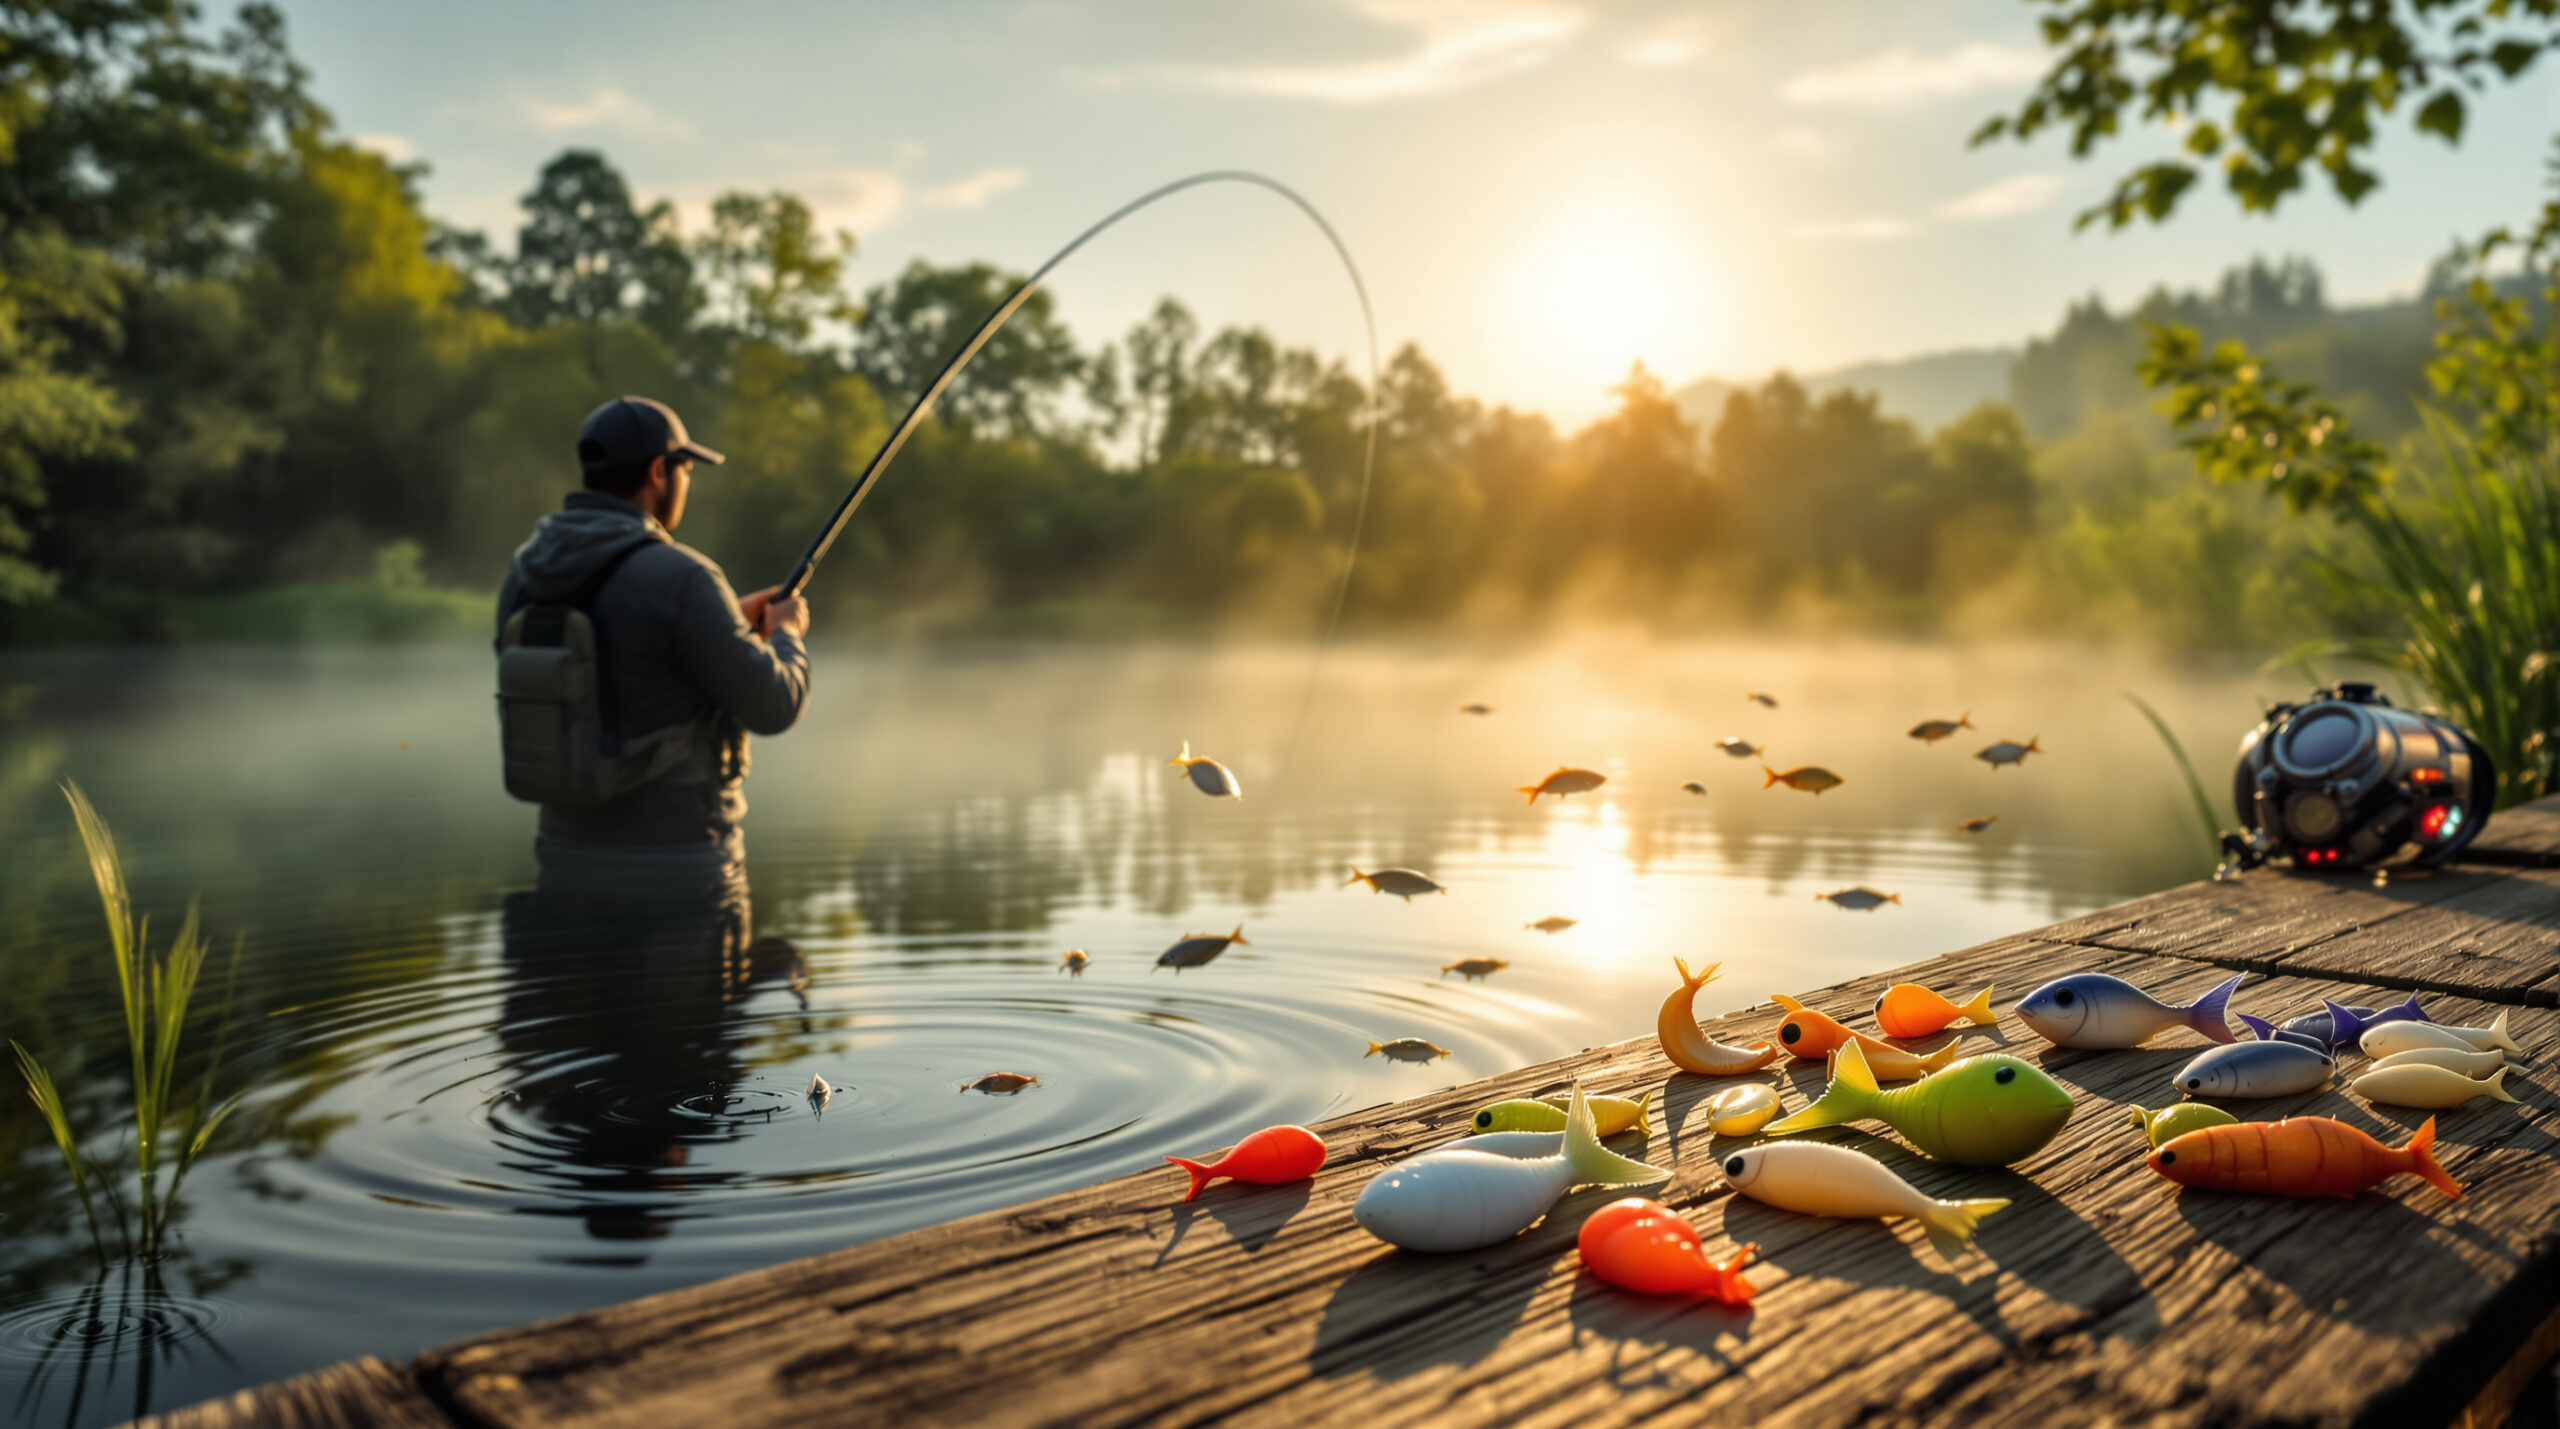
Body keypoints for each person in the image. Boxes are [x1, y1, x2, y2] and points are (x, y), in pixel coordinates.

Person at [496, 396, 811, 879]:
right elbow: (774, 705)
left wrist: (727, 622)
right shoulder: (684, 578)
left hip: (561, 864)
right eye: (686, 468)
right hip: (680, 874)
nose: (687, 482)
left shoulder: (522, 577)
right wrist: (786, 632)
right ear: (660, 472)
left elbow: (626, 653)